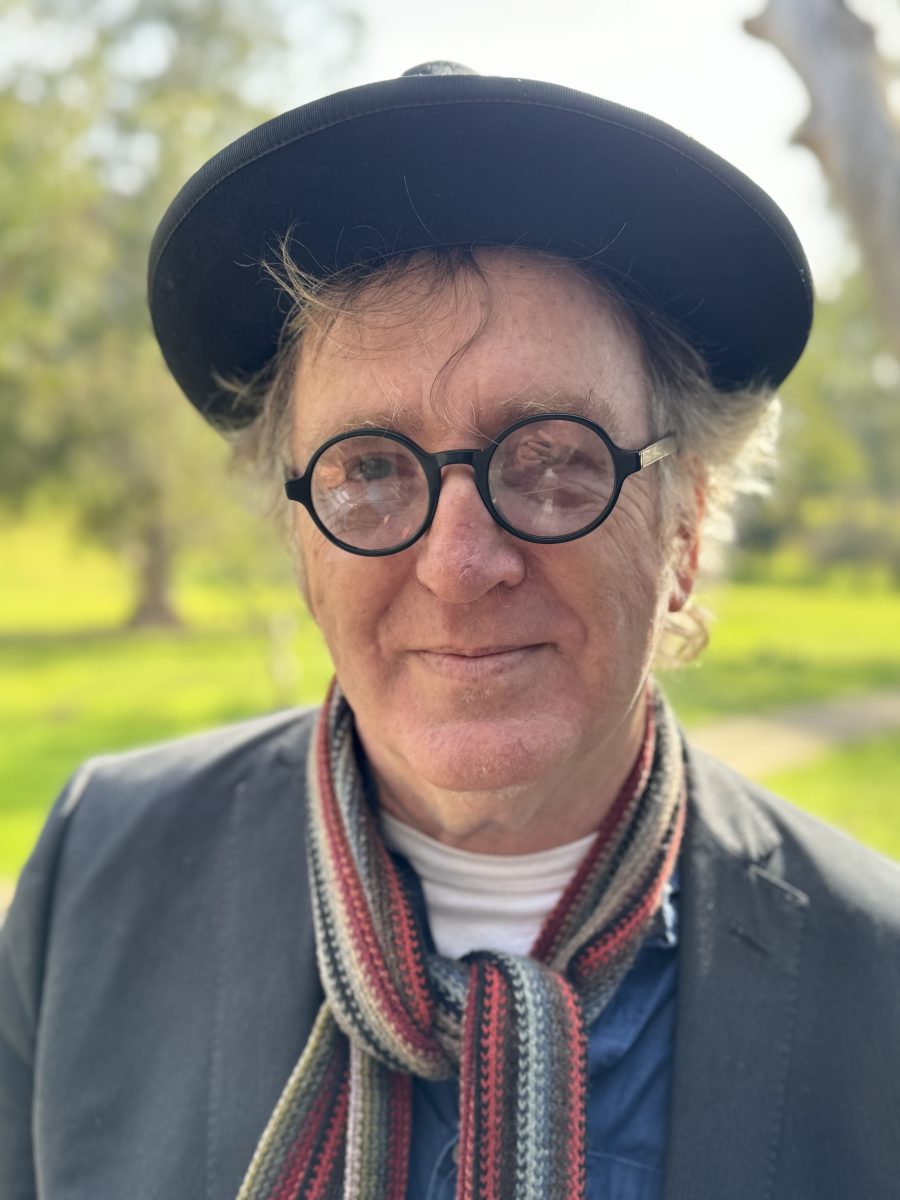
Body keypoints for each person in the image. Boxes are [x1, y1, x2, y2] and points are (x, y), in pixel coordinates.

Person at [1, 62, 898, 1200]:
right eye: (370, 469)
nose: (460, 564)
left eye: (556, 459)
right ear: (302, 542)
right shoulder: (96, 873)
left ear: (685, 528)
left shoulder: (877, 981)